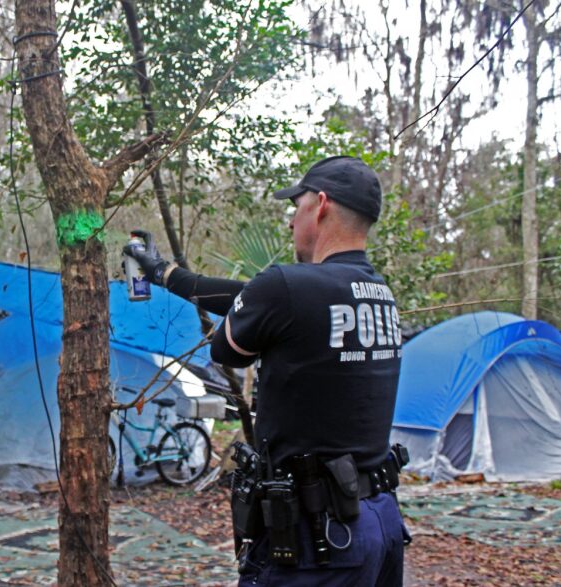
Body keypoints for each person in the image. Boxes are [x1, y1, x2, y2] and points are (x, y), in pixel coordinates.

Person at [124, 156, 408, 586]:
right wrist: (166, 274)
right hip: (377, 520)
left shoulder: (289, 288)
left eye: (297, 206)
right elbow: (254, 299)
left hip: (318, 540)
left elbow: (228, 350)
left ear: (322, 205)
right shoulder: (378, 293)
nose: (292, 220)